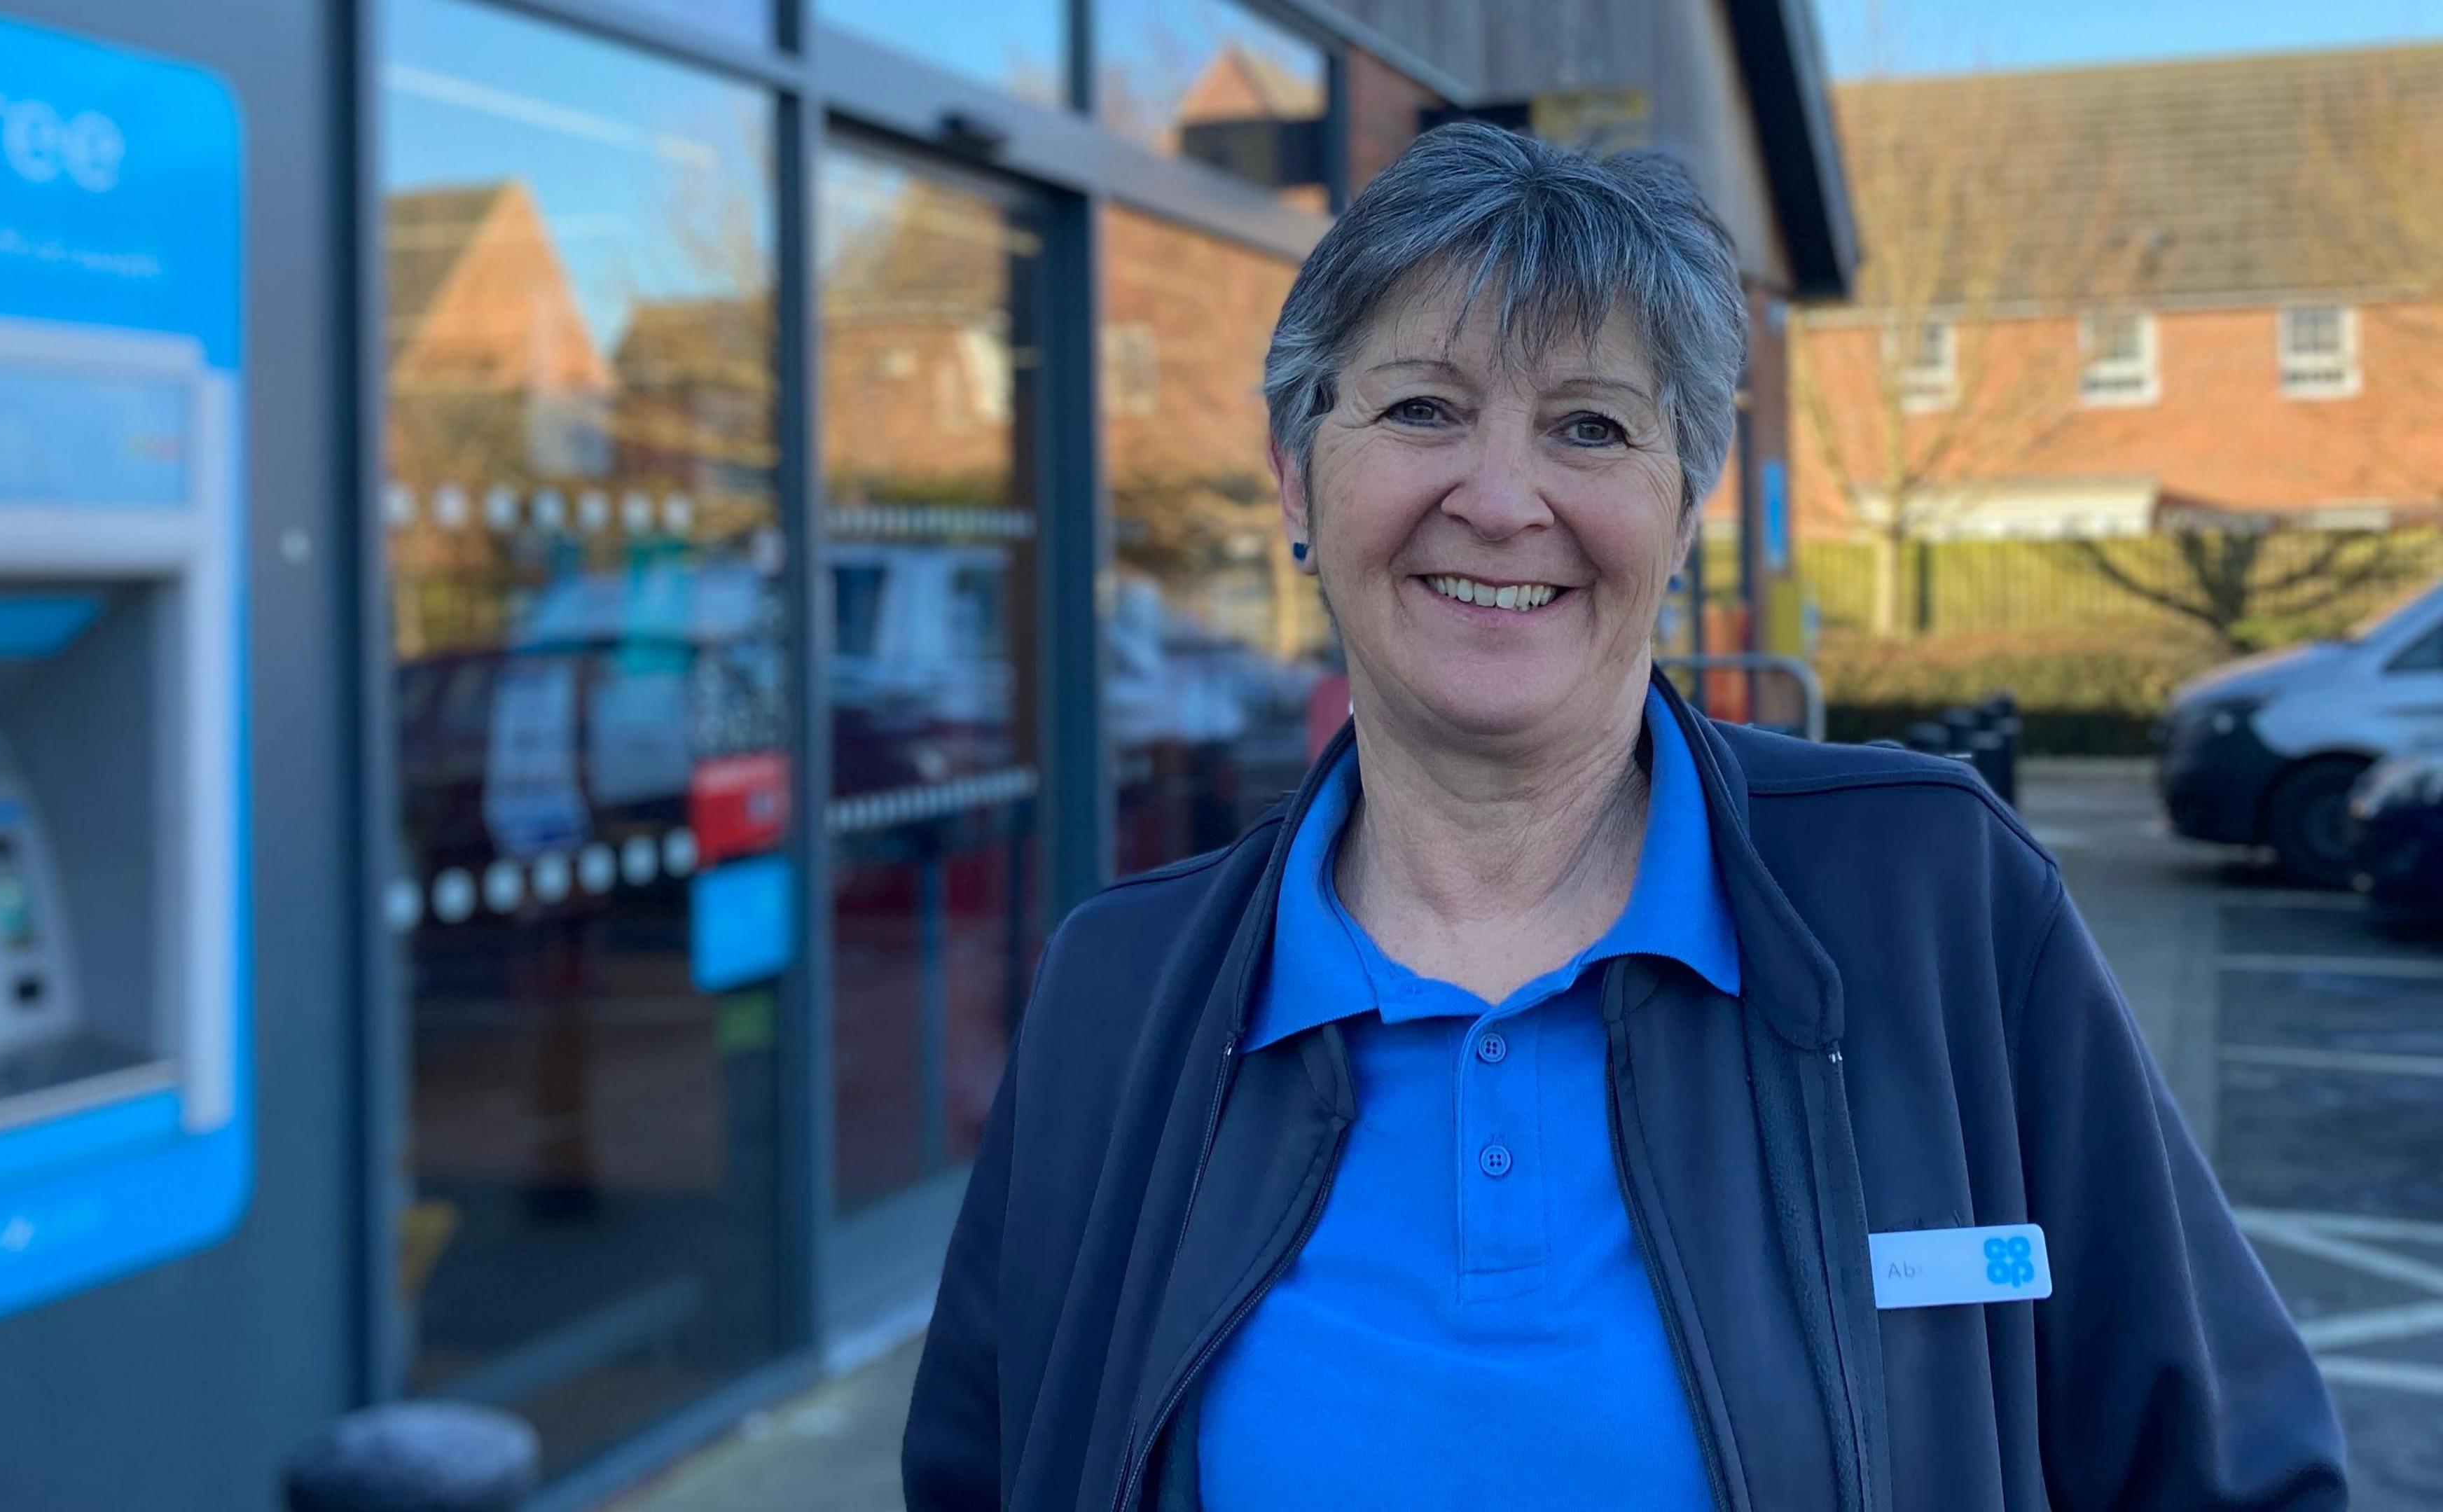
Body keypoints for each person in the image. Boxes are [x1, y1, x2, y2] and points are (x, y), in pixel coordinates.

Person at [901, 123, 2344, 1511]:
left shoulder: (1936, 902)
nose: (1505, 497)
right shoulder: (1119, 990)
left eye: (1591, 426)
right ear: (1297, 473)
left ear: (1684, 502)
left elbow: (2231, 1471)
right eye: (1423, 408)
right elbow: (984, 1471)